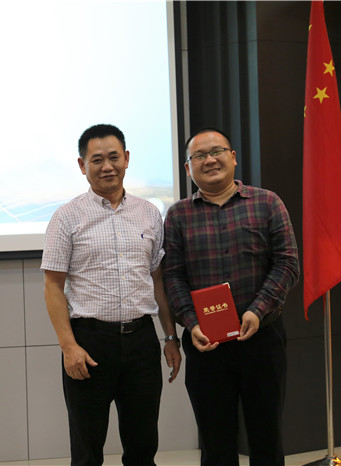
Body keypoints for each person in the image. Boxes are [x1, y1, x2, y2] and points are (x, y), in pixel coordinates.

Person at [41, 123, 182, 466]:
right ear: (82, 165)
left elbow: (157, 280)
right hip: (90, 344)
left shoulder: (149, 213)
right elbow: (53, 286)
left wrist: (170, 337)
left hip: (141, 342)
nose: (107, 166)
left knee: (143, 447)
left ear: (127, 159)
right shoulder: (66, 217)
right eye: (97, 160)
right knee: (87, 451)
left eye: (114, 157)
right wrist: (69, 347)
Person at [163, 127, 300, 466]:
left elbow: (287, 264)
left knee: (267, 438)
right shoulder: (178, 215)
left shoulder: (267, 202)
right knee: (216, 443)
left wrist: (256, 310)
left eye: (217, 151)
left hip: (262, 339)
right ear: (188, 168)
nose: (210, 160)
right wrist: (191, 323)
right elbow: (173, 277)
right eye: (199, 156)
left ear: (233, 157)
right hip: (206, 345)